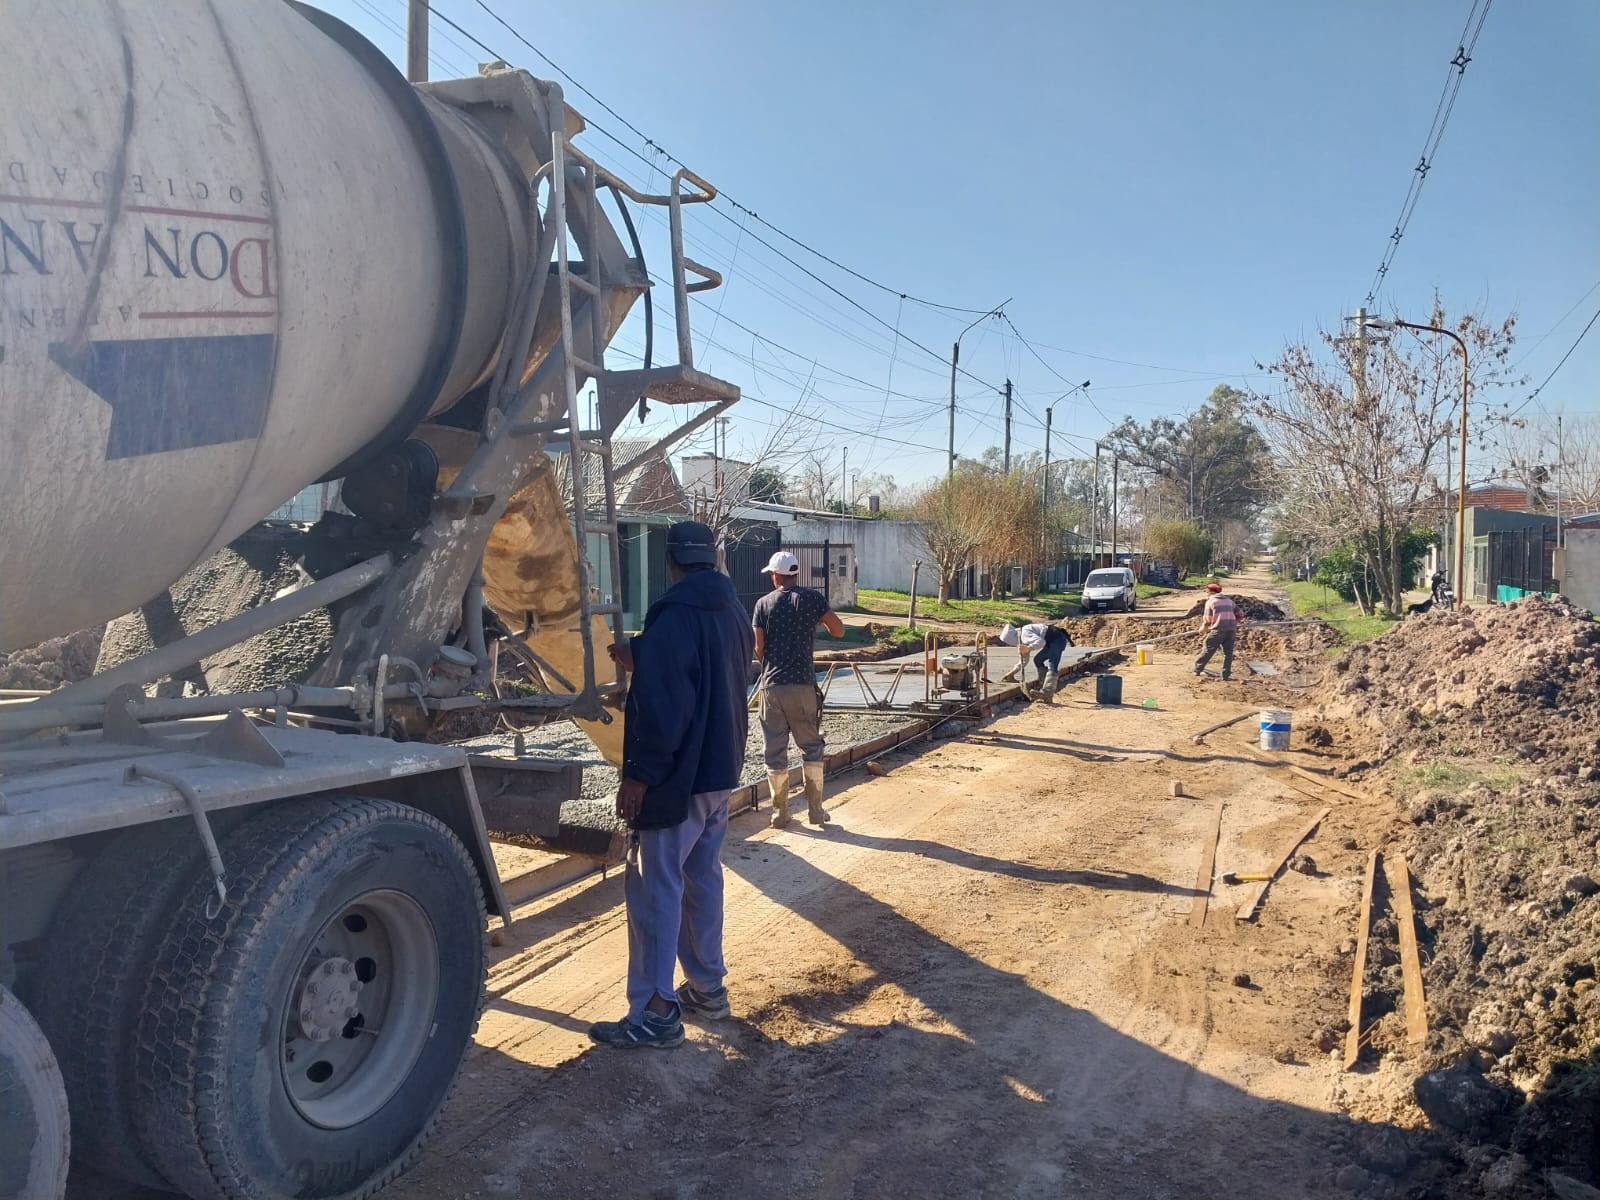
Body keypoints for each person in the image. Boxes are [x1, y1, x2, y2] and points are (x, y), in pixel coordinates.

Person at [587, 521, 754, 1049]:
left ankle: (656, 1012)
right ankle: (708, 988)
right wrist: (649, 653)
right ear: (713, 559)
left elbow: (663, 708)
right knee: (701, 879)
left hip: (677, 779)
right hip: (718, 773)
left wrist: (639, 775)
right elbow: (707, 671)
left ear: (671, 562)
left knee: (655, 889)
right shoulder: (732, 612)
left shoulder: (674, 615)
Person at [751, 550, 844, 827]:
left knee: (775, 749)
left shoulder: (763, 604)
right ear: (796, 573)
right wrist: (817, 622)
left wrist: (768, 663)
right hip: (803, 684)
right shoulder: (813, 599)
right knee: (811, 747)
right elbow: (838, 630)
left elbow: (758, 647)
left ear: (776, 575)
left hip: (772, 686)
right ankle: (816, 810)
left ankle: (780, 812)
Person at [998, 620, 1074, 702]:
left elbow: (1041, 642)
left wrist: (1029, 648)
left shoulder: (1025, 634)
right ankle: (1043, 686)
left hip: (1058, 639)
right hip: (1052, 641)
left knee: (1052, 664)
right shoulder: (1022, 636)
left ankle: (1047, 693)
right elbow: (1024, 659)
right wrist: (1013, 672)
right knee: (1038, 660)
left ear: (1012, 639)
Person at [1191, 581, 1239, 681]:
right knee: (1228, 653)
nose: (1206, 594)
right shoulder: (1229, 601)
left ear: (1211, 592)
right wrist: (1234, 622)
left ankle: (1197, 670)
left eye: (1207, 592)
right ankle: (1226, 675)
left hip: (1218, 630)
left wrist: (1203, 628)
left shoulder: (1211, 602)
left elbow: (1208, 619)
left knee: (1208, 650)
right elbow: (1240, 613)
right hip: (1231, 630)